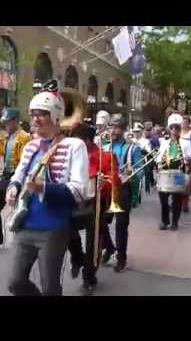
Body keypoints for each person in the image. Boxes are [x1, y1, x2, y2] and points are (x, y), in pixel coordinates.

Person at [5, 80, 88, 296]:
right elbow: (19, 174)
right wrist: (13, 187)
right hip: (25, 225)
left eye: (41, 113)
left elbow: (79, 190)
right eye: (32, 114)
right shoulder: (31, 145)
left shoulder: (74, 146)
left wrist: (43, 189)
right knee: (15, 283)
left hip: (53, 228)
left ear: (55, 116)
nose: (34, 119)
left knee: (51, 288)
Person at [67, 123, 119, 295]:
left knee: (93, 243)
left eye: (77, 140)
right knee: (66, 231)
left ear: (88, 141)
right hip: (74, 200)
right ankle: (77, 257)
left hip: (95, 203)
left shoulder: (106, 156)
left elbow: (115, 180)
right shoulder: (71, 155)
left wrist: (105, 183)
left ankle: (88, 278)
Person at [0, 108, 31, 248]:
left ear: (15, 121)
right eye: (5, 122)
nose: (6, 125)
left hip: (17, 175)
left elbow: (24, 160)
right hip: (6, 175)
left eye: (8, 122)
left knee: (19, 209)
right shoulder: (8, 136)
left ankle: (22, 242)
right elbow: (1, 150)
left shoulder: (23, 137)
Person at [100, 114, 133, 272]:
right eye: (111, 127)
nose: (113, 130)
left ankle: (121, 257)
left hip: (123, 189)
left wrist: (131, 173)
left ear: (124, 129)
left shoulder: (131, 147)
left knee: (121, 225)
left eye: (117, 127)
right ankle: (109, 246)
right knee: (100, 222)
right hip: (107, 188)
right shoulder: (104, 147)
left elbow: (139, 174)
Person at [156, 114, 191, 231]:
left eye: (177, 127)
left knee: (177, 199)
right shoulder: (164, 142)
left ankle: (174, 222)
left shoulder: (186, 143)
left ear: (180, 129)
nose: (174, 130)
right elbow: (158, 157)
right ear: (169, 128)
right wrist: (159, 163)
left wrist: (189, 160)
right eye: (172, 127)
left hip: (179, 173)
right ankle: (164, 220)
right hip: (165, 173)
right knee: (163, 199)